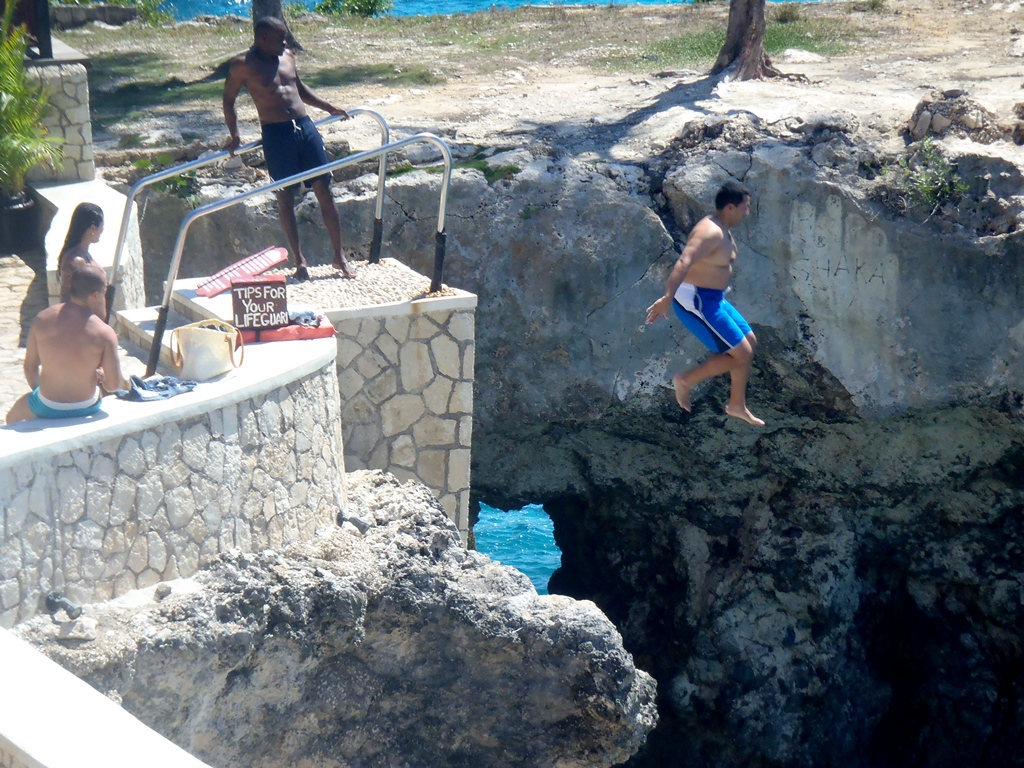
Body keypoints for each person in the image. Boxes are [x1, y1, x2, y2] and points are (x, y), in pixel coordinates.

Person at [223, 16, 354, 282]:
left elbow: (299, 88)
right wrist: (234, 134)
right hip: (276, 134)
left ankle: (339, 256)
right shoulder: (243, 65)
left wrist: (328, 107)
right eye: (279, 38)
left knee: (325, 190)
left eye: (286, 36)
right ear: (262, 38)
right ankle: (300, 261)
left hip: (304, 127)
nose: (285, 42)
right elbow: (228, 100)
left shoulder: (288, 55)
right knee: (286, 198)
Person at [645, 181, 764, 427]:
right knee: (741, 353)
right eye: (745, 207)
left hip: (713, 298)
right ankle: (685, 380)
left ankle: (736, 404)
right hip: (696, 300)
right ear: (731, 207)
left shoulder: (723, 227)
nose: (747, 213)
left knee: (749, 342)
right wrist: (667, 297)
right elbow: (684, 261)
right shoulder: (709, 232)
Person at [6, 265, 123, 424]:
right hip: (88, 405)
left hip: (47, 404)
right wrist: (102, 377)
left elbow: (30, 366)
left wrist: (40, 391)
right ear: (94, 296)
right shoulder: (105, 333)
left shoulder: (42, 319)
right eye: (104, 292)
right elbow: (113, 385)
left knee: (10, 418)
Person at [58, 202, 104, 304]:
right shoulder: (77, 261)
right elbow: (72, 301)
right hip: (79, 318)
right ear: (92, 229)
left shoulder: (81, 253)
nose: (102, 230)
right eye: (101, 226)